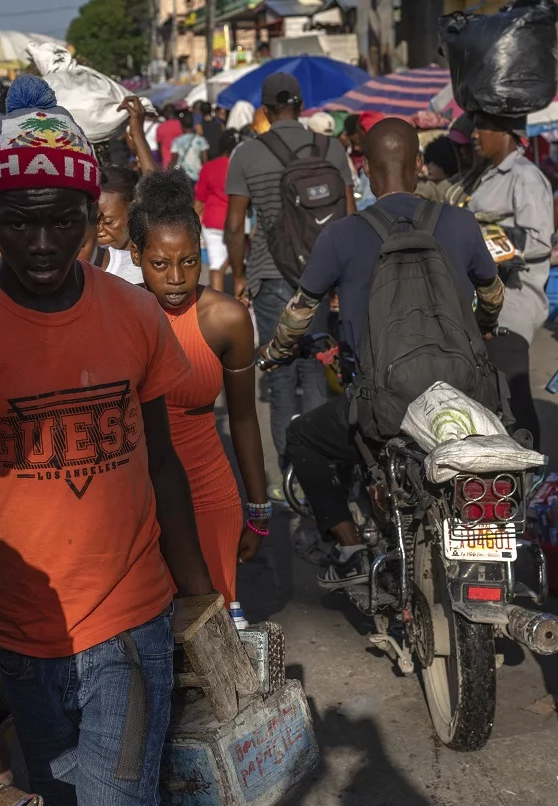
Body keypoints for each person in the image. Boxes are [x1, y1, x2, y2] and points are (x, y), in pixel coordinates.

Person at [0, 75, 213, 806]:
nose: (42, 244)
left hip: (129, 628)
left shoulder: (135, 314)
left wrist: (203, 605)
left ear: (92, 220)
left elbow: (164, 465)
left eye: (62, 222)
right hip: (22, 644)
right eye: (18, 224)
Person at [263, 118, 504, 587]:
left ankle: (351, 547)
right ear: (418, 165)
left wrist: (276, 351)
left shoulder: (341, 235)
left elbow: (300, 312)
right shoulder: (459, 222)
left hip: (385, 406)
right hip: (466, 394)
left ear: (367, 171)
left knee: (304, 440)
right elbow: (492, 295)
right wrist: (484, 330)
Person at [130, 168, 269, 605]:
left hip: (208, 494)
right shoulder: (118, 313)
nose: (176, 278)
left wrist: (259, 510)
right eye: (160, 263)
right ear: (136, 256)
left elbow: (244, 419)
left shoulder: (225, 319)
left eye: (188, 261)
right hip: (133, 498)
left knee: (211, 630)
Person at [225, 73, 353, 496]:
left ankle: (288, 480)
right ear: (300, 106)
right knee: (316, 375)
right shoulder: (331, 148)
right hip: (324, 276)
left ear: (264, 110)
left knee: (280, 382)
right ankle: (323, 474)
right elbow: (349, 219)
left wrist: (241, 275)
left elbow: (233, 225)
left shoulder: (247, 154)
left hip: (271, 275)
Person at [467, 111, 553, 449]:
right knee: (495, 400)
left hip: (513, 302)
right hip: (488, 299)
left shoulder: (525, 176)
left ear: (505, 132)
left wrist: (485, 240)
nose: (475, 134)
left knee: (514, 398)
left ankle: (534, 483)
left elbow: (539, 240)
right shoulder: (488, 175)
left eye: (482, 127)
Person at [195, 129, 239, 292]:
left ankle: (218, 306)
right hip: (239, 221)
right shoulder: (243, 165)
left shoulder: (209, 167)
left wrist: (192, 222)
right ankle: (242, 302)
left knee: (215, 264)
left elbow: (200, 199)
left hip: (213, 221)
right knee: (240, 263)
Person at [97, 165, 145, 284]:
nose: (99, 231)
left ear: (133, 211)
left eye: (108, 222)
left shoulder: (146, 269)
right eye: (93, 222)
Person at [416, 135, 460, 203]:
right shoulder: (421, 181)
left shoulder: (451, 189)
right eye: (428, 162)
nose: (430, 166)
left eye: (435, 163)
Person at [170, 112, 210, 182]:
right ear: (192, 125)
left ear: (182, 126)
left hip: (181, 176)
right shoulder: (201, 140)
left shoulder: (176, 141)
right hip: (197, 175)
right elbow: (204, 160)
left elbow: (174, 160)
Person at [156, 103, 184, 168]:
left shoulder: (160, 127)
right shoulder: (181, 125)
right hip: (182, 161)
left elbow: (159, 147)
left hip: (167, 163)